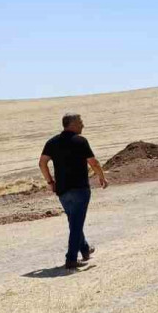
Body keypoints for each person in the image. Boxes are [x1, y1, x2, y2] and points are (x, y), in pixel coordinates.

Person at [38, 113, 108, 269]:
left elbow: (42, 163)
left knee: (74, 220)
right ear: (72, 124)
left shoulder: (52, 142)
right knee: (76, 223)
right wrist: (102, 177)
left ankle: (84, 249)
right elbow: (93, 162)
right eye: (80, 122)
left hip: (62, 190)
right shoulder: (80, 141)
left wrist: (50, 182)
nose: (83, 125)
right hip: (80, 188)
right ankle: (71, 258)